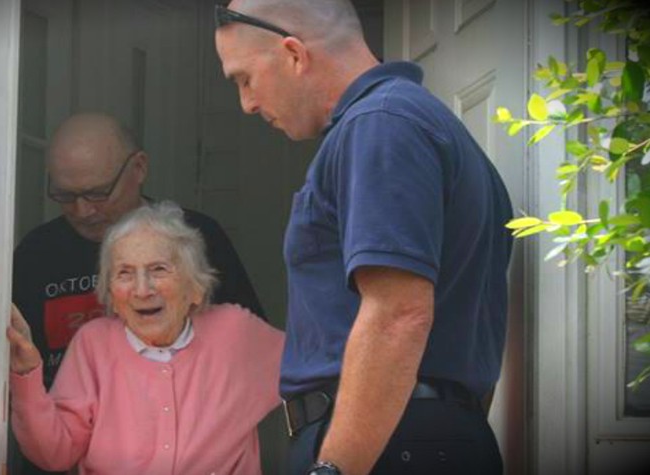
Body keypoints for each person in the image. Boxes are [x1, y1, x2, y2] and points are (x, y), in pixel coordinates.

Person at [214, 1, 513, 474]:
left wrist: (334, 468)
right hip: (419, 436)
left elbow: (399, 314)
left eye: (243, 78)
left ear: (293, 54)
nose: (246, 104)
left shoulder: (380, 125)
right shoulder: (422, 124)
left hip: (385, 448)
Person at [10, 112, 265, 475]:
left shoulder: (194, 239)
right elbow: (13, 370)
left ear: (139, 168)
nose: (82, 210)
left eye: (98, 193)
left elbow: (248, 361)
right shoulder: (37, 253)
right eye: (65, 195)